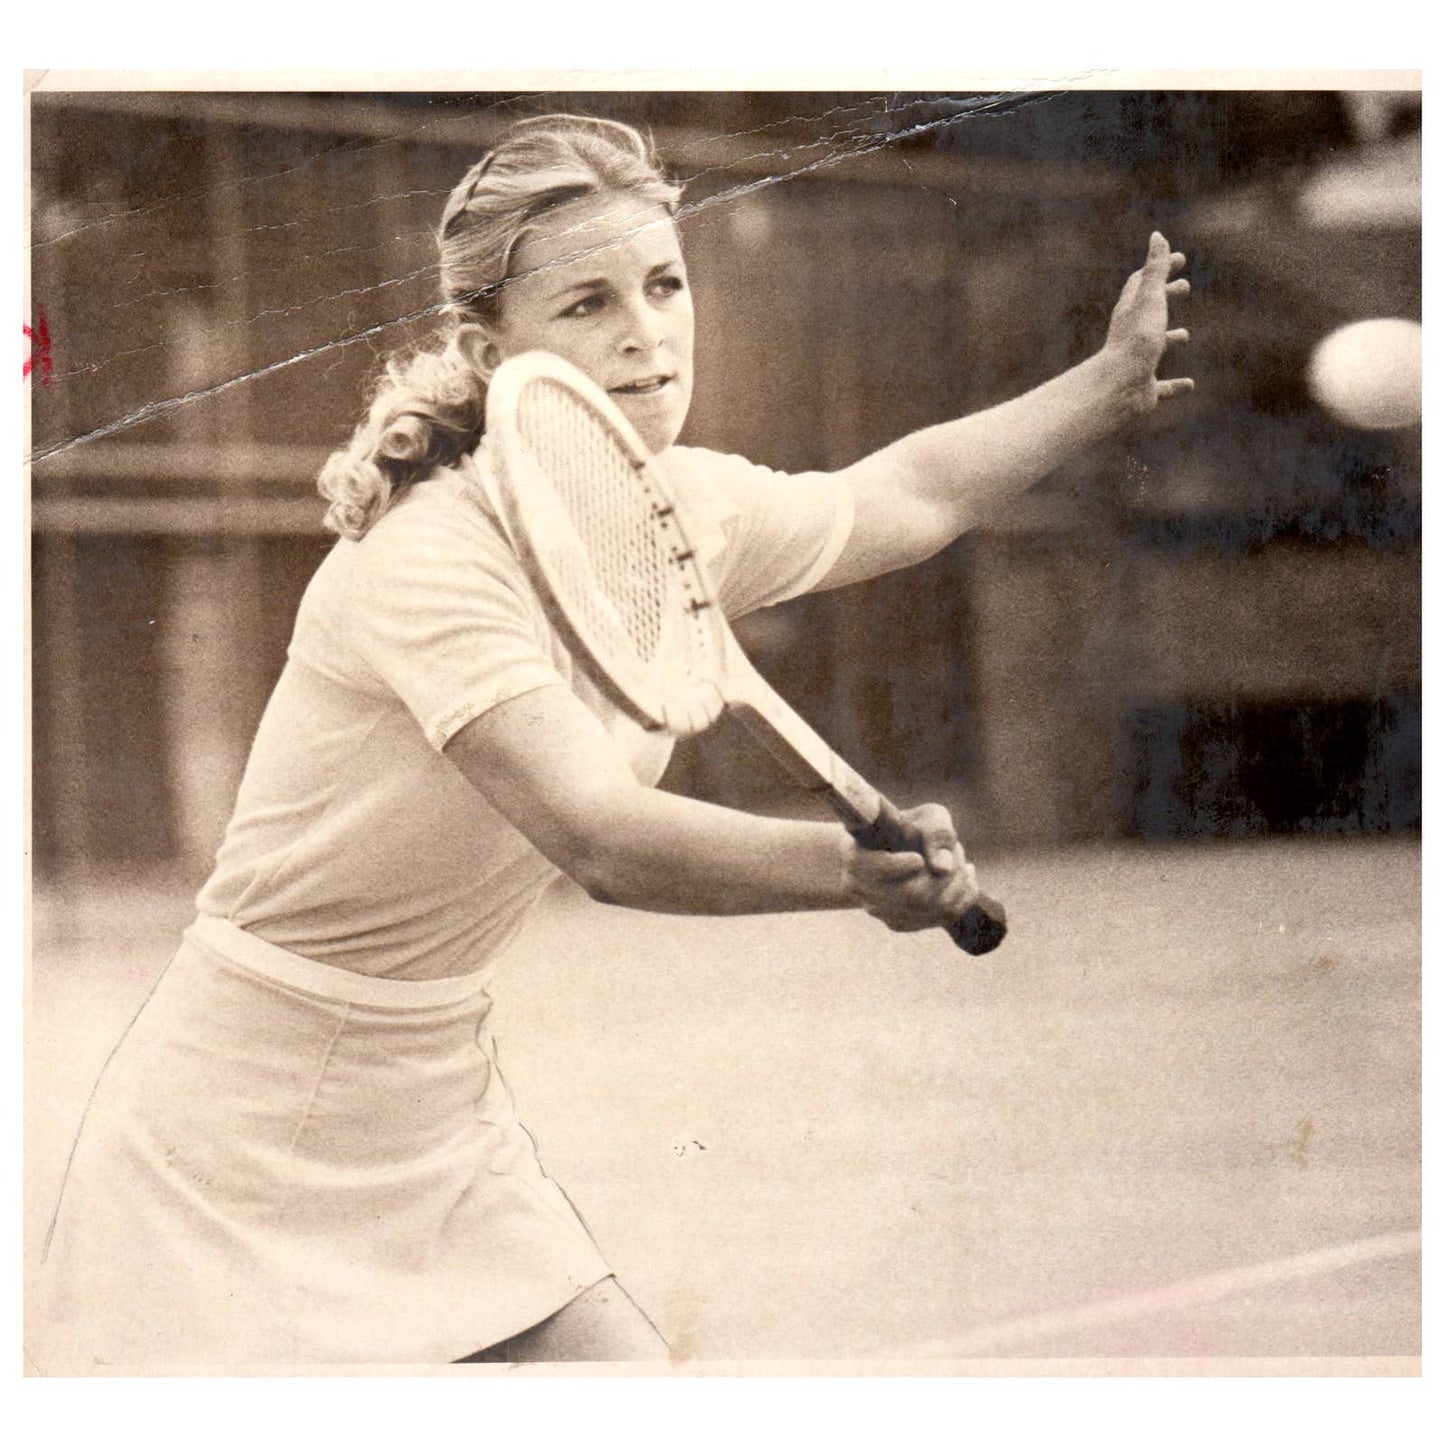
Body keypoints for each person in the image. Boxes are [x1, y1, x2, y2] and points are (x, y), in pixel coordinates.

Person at [35, 112, 1191, 1372]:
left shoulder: (678, 504)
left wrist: (1100, 388)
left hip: (432, 1102)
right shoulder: (429, 555)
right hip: (225, 1134)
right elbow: (597, 834)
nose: (644, 330)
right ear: (492, 348)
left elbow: (898, 495)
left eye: (662, 284)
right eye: (586, 303)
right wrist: (845, 873)